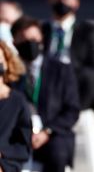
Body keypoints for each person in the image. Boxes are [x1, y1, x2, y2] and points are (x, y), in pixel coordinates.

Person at [42, 0, 94, 172]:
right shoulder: (42, 30)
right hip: (47, 102)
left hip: (80, 100)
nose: (63, 2)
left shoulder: (86, 30)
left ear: (76, 2)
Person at [12, 16, 80, 172]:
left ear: (41, 39)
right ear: (15, 43)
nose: (30, 43)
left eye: (34, 38)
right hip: (19, 135)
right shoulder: (10, 74)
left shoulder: (61, 69)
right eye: (24, 39)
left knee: (57, 152)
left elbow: (72, 110)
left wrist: (47, 132)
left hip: (52, 134)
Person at [0, 41, 32, 172]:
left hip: (5, 161)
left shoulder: (17, 101)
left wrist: (3, 152)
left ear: (7, 63)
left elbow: (23, 145)